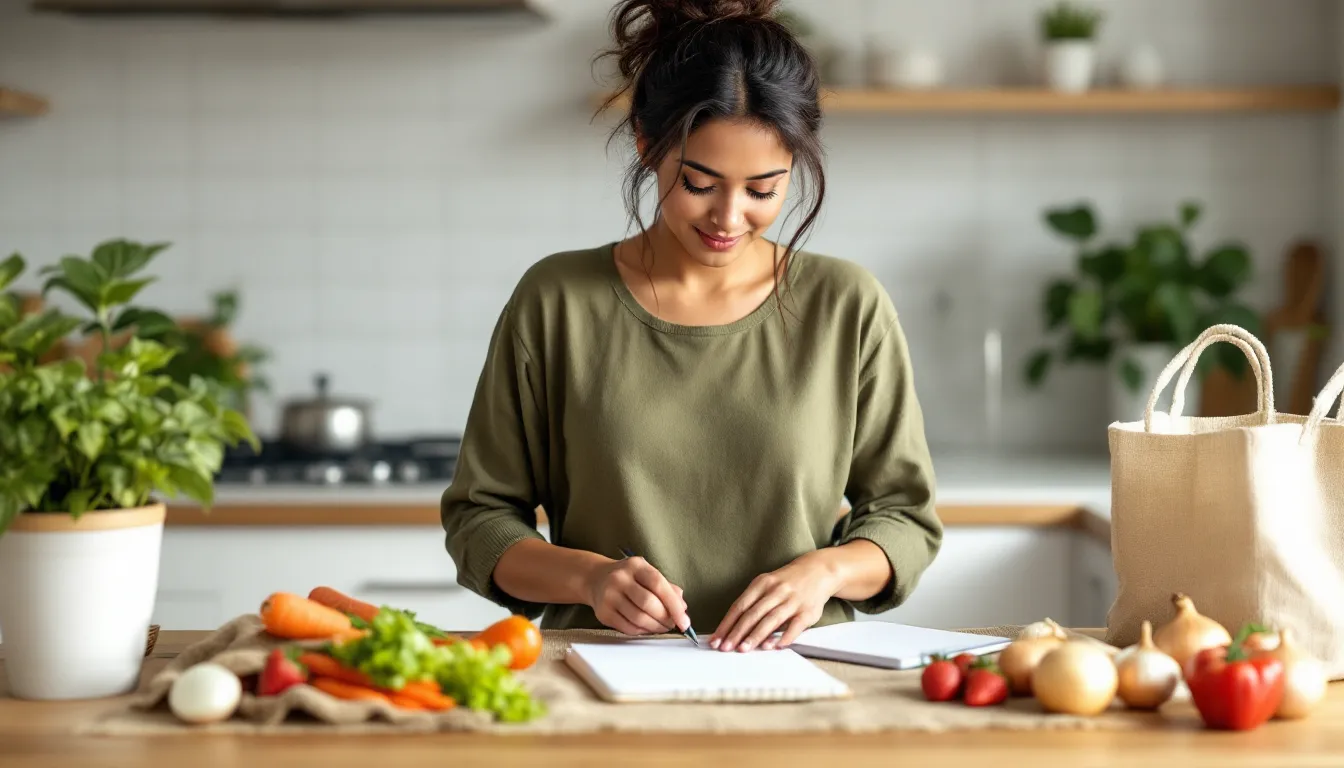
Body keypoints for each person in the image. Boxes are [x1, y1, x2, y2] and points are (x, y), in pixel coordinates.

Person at [440, 0, 941, 654]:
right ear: (648, 146)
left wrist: (824, 572)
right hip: (601, 679)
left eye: (763, 189)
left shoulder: (847, 305)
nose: (729, 216)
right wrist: (591, 579)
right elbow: (480, 520)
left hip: (800, 678)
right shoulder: (556, 301)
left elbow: (905, 518)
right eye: (699, 182)